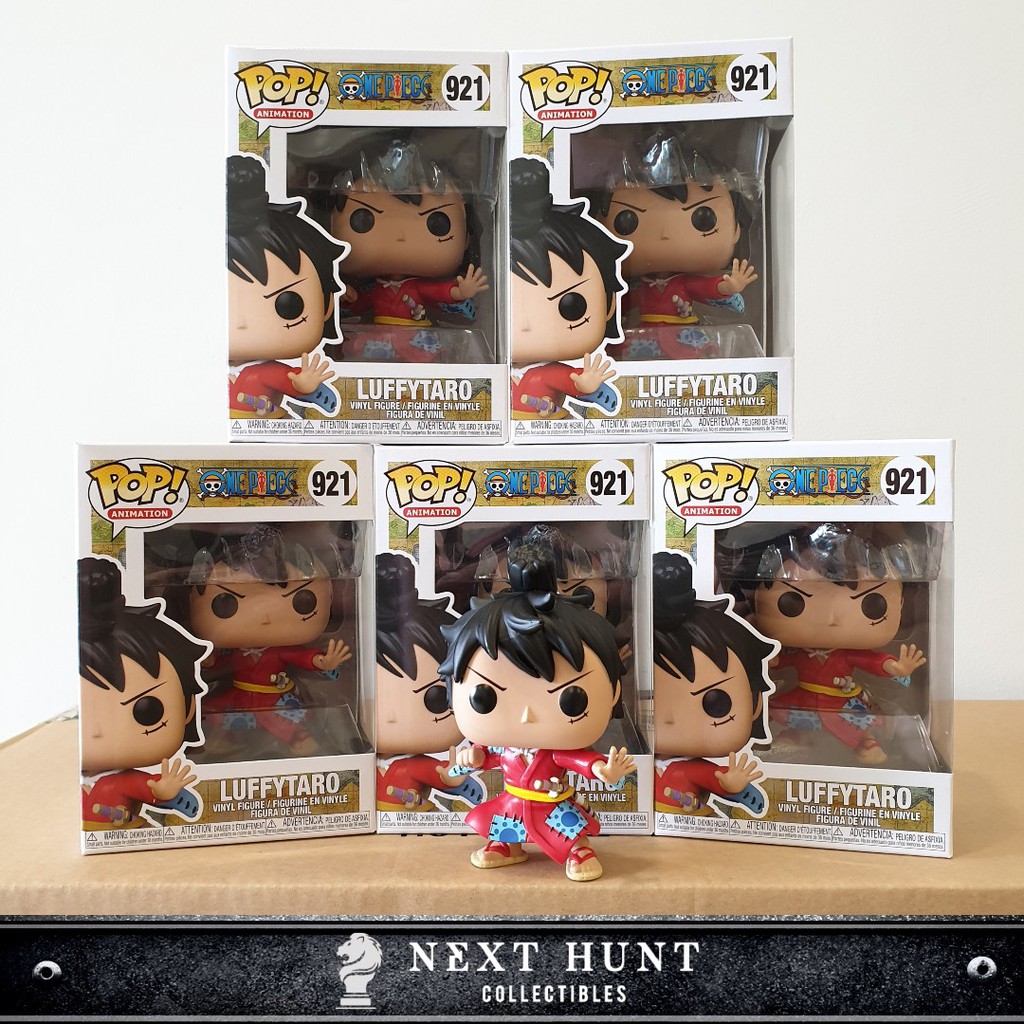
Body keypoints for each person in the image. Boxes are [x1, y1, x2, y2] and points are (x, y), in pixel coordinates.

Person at [439, 552, 634, 882]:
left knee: (569, 831)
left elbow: (580, 761)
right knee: (505, 824)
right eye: (484, 697)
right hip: (515, 801)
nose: (527, 715)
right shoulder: (503, 749)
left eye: (572, 698)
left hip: (553, 803)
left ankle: (578, 849)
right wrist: (472, 758)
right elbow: (480, 761)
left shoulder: (556, 751)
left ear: (614, 692)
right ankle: (507, 845)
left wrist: (604, 770)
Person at [591, 130, 758, 360]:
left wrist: (728, 286)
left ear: (736, 229)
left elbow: (705, 288)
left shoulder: (684, 284)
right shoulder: (640, 287)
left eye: (703, 218)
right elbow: (622, 300)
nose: (664, 234)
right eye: (627, 222)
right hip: (645, 336)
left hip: (682, 336)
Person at [188, 524, 351, 757]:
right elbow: (225, 665)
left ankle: (298, 736)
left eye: (302, 602)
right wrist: (208, 662)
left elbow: (300, 656)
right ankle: (220, 739)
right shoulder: (237, 650)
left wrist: (322, 662)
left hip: (272, 697)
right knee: (209, 709)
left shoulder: (277, 650)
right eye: (226, 604)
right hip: (241, 695)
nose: (264, 616)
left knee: (283, 720)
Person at [327, 138, 489, 362]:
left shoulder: (415, 287)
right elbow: (360, 303)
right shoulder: (377, 288)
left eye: (437, 224)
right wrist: (349, 297)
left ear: (466, 234)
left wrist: (460, 293)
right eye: (363, 220)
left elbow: (437, 292)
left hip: (413, 338)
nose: (401, 236)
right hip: (380, 337)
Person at [79, 557, 208, 829]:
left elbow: (154, 790)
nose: (96, 732)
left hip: (129, 834)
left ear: (188, 708)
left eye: (147, 710)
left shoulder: (122, 781)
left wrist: (166, 792)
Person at [652, 552, 776, 816]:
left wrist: (735, 786)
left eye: (717, 703)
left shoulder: (691, 768)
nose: (671, 720)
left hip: (692, 826)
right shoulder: (639, 764)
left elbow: (721, 780)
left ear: (755, 702)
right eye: (650, 702)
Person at [227, 154, 346, 417]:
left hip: (264, 424)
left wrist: (306, 386)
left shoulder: (265, 371)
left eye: (288, 304)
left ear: (326, 304)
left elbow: (292, 382)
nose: (241, 323)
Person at [509, 157, 627, 418]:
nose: (525, 325)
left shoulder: (549, 373)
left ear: (609, 304)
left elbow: (575, 382)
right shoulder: (495, 372)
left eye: (571, 306)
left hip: (548, 429)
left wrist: (588, 386)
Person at [375, 553, 479, 813]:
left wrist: (456, 773)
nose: (391, 716)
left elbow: (444, 776)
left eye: (435, 698)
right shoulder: (362, 765)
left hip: (416, 821)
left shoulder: (413, 765)